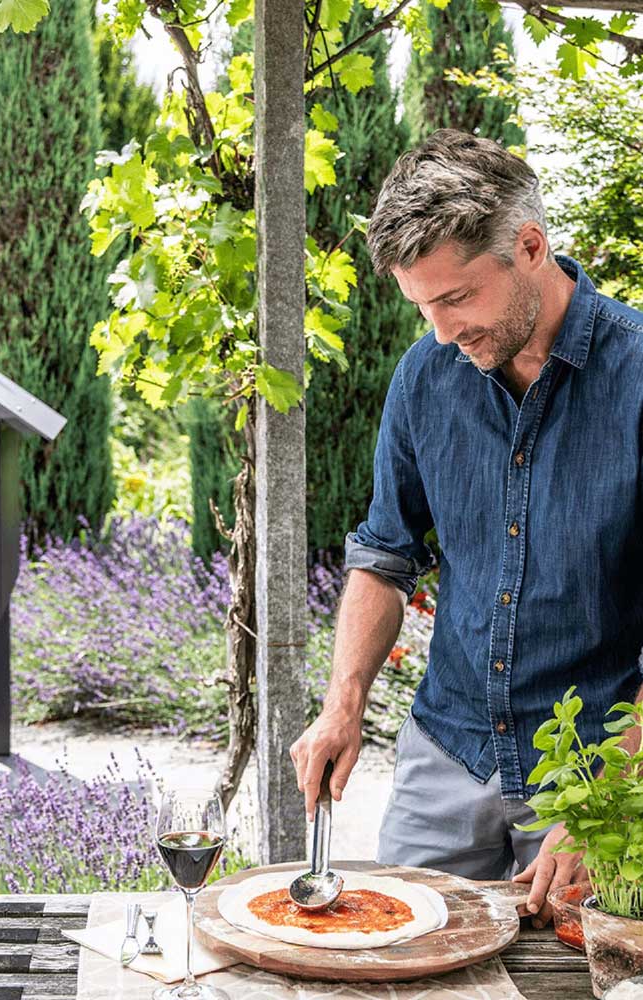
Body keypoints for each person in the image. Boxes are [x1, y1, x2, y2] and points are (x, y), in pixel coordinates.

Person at [289, 128, 643, 927]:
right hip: (445, 752)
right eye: (422, 307)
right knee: (385, 962)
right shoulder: (427, 375)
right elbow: (385, 556)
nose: (443, 332)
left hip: (594, 773)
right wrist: (343, 702)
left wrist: (610, 802)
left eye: (455, 298)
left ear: (529, 245)